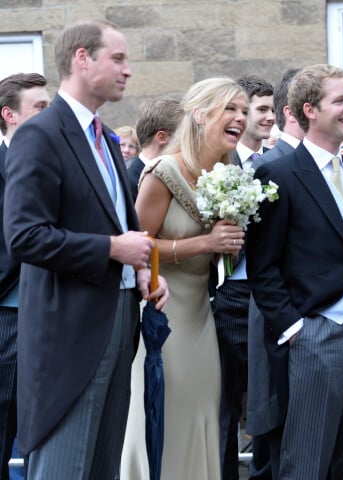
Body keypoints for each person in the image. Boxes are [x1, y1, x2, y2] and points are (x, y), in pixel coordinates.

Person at [2, 20, 169, 480]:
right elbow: (24, 236)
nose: (128, 70)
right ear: (81, 59)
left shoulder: (107, 139)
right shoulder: (41, 134)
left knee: (102, 468)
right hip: (69, 335)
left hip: (119, 319)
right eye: (117, 58)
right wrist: (112, 249)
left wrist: (142, 270)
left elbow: (121, 225)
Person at [246, 64, 343, 480]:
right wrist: (295, 330)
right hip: (313, 334)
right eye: (341, 101)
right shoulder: (277, 174)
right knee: (306, 462)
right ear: (309, 110)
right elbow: (263, 268)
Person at [122, 77, 248, 480]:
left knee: (203, 415)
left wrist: (231, 244)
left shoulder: (225, 173)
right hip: (162, 314)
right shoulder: (164, 171)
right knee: (165, 416)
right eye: (230, 109)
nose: (240, 118)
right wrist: (203, 244)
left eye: (244, 111)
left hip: (201, 319)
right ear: (200, 114)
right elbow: (135, 248)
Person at [211, 74, 274, 480]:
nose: (266, 117)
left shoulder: (277, 163)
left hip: (268, 295)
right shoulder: (219, 164)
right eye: (259, 109)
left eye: (271, 109)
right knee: (225, 405)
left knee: (267, 402)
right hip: (227, 294)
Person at [245, 67, 304, 480]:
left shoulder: (342, 167)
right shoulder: (271, 165)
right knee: (278, 443)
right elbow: (261, 262)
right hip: (282, 325)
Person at [0, 72, 50, 480]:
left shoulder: (57, 165)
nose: (49, 115)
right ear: (9, 115)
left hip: (55, 317)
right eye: (40, 108)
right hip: (8, 318)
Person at [126, 95, 183, 201]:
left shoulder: (173, 173)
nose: (188, 141)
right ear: (162, 137)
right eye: (184, 134)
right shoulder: (130, 184)